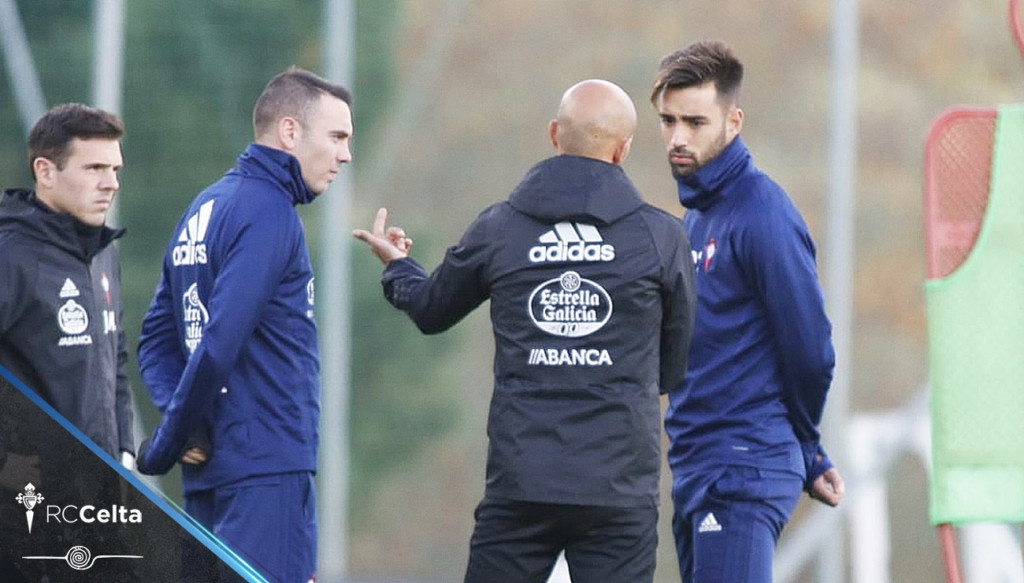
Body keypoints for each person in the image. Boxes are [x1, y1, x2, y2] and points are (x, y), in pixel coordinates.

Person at [354, 79, 696, 583]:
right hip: (617, 489)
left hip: (521, 484)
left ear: (554, 134)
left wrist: (399, 267)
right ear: (623, 150)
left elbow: (430, 310)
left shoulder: (499, 228)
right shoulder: (662, 237)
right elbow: (674, 362)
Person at [135, 67, 353, 583]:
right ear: (290, 132)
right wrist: (170, 439)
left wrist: (180, 418)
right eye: (338, 136)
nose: (345, 155)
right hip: (265, 471)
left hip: (213, 470)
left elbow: (156, 340)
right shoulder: (270, 213)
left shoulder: (206, 205)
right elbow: (220, 342)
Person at [650, 40, 846, 582]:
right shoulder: (696, 219)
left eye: (695, 121)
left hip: (742, 468)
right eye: (668, 121)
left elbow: (811, 353)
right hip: (698, 467)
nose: (678, 137)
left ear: (733, 121)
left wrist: (805, 444)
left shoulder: (762, 212)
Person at [0, 103, 134, 467]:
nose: (111, 183)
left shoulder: (102, 254)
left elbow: (115, 359)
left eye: (114, 169)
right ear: (45, 171)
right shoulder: (10, 255)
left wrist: (123, 450)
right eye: (94, 168)